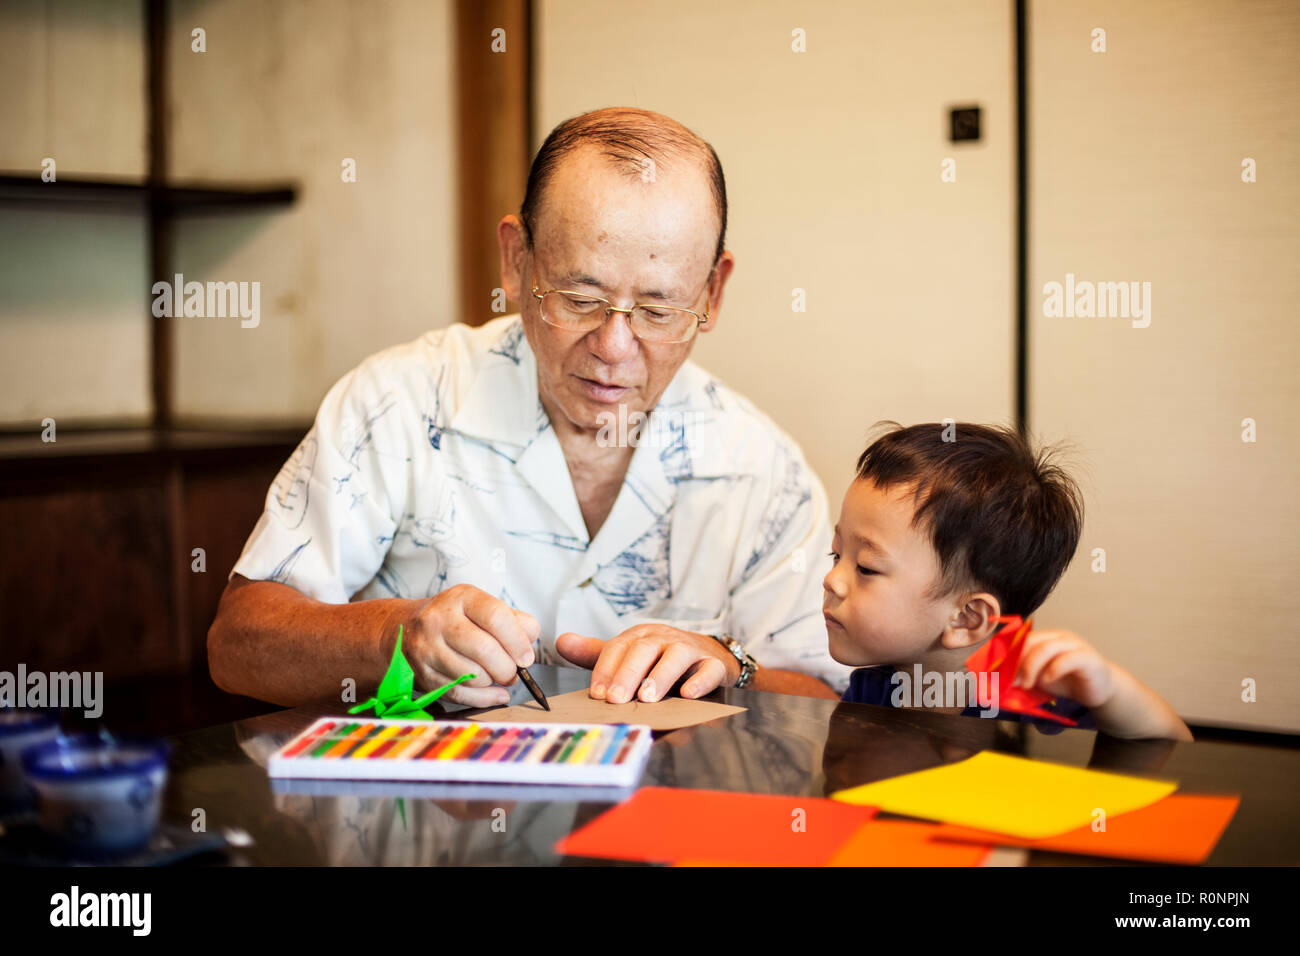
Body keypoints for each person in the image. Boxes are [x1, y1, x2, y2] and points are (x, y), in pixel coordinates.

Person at [208, 107, 851, 709]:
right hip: (422, 819)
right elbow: (236, 643)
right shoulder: (399, 403)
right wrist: (390, 637)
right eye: (578, 297)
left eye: (658, 311)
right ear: (516, 261)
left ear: (711, 294)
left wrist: (727, 665)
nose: (614, 348)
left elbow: (823, 699)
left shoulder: (760, 468)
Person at [824, 423, 1192, 740]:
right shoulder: (873, 691)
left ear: (967, 618)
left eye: (867, 568)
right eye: (837, 555)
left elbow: (1172, 741)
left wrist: (1109, 690)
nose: (832, 580)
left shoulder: (1033, 697)